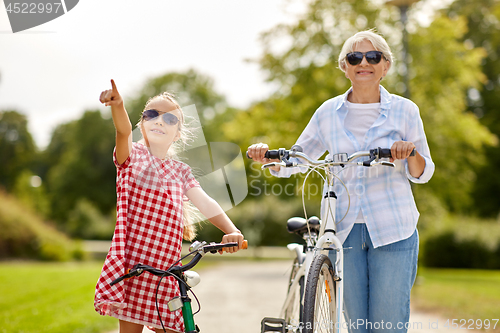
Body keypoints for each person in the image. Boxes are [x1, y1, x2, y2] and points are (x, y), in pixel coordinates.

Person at [248, 30, 434, 333]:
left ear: (385, 66)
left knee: (387, 326)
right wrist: (269, 157)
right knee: (356, 325)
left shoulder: (405, 110)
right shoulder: (327, 113)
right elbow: (299, 157)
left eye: (373, 57)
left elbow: (423, 171)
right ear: (344, 66)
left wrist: (409, 152)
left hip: (393, 228)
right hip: (343, 228)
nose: (364, 62)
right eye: (354, 57)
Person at [94, 80, 244, 333]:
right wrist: (118, 106)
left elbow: (205, 202)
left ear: (178, 134)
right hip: (134, 270)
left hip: (168, 274)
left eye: (170, 119)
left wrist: (232, 230)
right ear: (142, 124)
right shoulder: (132, 158)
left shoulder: (181, 172)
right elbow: (123, 131)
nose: (159, 121)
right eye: (151, 115)